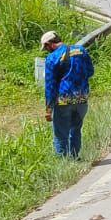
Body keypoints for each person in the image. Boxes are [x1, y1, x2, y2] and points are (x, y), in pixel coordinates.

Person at [41, 30, 94, 159]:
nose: (47, 50)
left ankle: (63, 162)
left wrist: (48, 109)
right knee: (75, 130)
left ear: (50, 44)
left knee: (60, 134)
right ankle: (75, 158)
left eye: (46, 47)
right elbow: (90, 71)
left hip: (63, 101)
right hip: (82, 99)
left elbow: (50, 85)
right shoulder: (81, 50)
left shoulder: (52, 58)